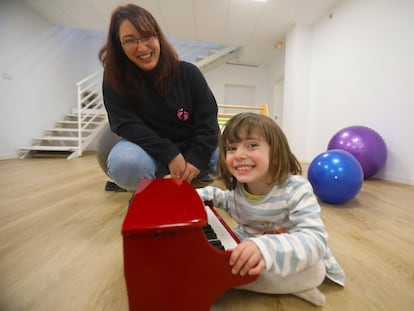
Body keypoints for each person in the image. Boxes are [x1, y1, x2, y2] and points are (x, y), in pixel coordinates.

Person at [196, 113, 345, 306]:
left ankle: (290, 284)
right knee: (210, 251)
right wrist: (193, 195)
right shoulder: (238, 190)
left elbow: (315, 239)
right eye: (231, 148)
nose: (239, 154)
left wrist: (265, 247)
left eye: (251, 145)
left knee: (316, 271)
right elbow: (221, 197)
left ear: (275, 154)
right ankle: (286, 286)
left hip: (290, 251)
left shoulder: (296, 189)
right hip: (248, 245)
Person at [98, 4, 219, 192]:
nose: (142, 47)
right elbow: (124, 123)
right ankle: (146, 188)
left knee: (224, 158)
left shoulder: (189, 73)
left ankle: (193, 181)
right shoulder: (114, 78)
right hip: (147, 150)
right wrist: (170, 154)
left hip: (190, 148)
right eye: (130, 40)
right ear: (119, 45)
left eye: (147, 37)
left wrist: (195, 159)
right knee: (125, 163)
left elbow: (208, 121)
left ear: (157, 36)